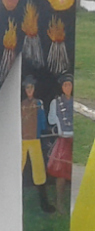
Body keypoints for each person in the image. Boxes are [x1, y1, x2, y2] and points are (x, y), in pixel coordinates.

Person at [21, 75, 55, 213]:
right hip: (22, 141)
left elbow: (41, 120)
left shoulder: (38, 103)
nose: (29, 90)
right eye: (27, 88)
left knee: (39, 171)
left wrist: (42, 131)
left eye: (31, 87)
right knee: (18, 168)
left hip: (34, 140)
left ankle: (44, 203)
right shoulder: (21, 105)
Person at [47, 73, 73, 213]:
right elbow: (51, 120)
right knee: (61, 174)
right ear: (62, 87)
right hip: (63, 139)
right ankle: (60, 203)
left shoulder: (76, 102)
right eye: (65, 85)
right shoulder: (55, 103)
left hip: (75, 141)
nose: (67, 87)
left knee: (75, 172)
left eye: (69, 85)